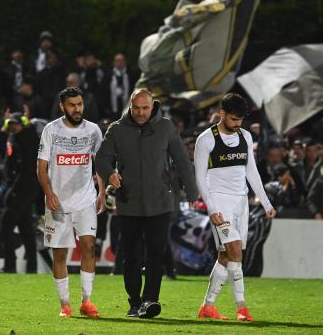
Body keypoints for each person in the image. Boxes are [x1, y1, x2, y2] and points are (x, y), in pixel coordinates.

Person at [95, 88, 198, 319]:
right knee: (130, 256)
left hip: (160, 202)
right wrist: (110, 173)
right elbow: (101, 158)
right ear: (130, 106)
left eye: (145, 108)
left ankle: (150, 301)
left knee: (155, 255)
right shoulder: (116, 129)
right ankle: (135, 302)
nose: (141, 113)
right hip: (128, 201)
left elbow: (182, 160)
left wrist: (192, 192)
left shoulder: (167, 127)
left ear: (153, 106)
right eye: (136, 108)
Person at [194, 93, 275, 322]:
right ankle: (242, 307)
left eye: (241, 120)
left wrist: (266, 202)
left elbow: (252, 171)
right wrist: (211, 208)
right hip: (219, 202)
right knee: (235, 249)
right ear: (222, 114)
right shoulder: (206, 139)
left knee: (225, 255)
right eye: (233, 119)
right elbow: (200, 177)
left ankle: (207, 307)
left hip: (241, 202)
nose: (237, 124)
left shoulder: (246, 136)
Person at [37, 87, 105, 318]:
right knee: (59, 254)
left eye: (79, 104)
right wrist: (49, 193)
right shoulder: (51, 130)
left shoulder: (93, 130)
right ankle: (64, 304)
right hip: (58, 202)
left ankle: (87, 301)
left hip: (85, 199)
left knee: (88, 247)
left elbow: (102, 164)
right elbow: (41, 167)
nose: (77, 109)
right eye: (72, 105)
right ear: (62, 107)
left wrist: (102, 193)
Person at [0, 113, 39, 273]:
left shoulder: (27, 137)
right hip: (21, 188)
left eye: (16, 123)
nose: (13, 127)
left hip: (22, 189)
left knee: (5, 228)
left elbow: (26, 168)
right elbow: (0, 146)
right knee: (25, 229)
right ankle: (31, 268)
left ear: (23, 123)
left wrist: (12, 189)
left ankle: (10, 266)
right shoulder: (13, 137)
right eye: (10, 124)